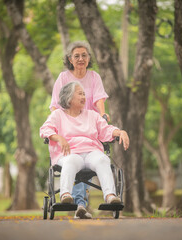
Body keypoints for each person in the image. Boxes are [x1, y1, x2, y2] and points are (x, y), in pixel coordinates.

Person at [40, 82, 129, 216]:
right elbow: (44, 129)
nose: (84, 97)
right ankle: (65, 195)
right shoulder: (58, 115)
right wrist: (59, 138)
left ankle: (110, 196)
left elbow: (106, 130)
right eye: (80, 94)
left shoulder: (92, 115)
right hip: (69, 153)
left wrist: (120, 132)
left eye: (84, 94)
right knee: (71, 161)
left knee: (102, 159)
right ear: (69, 97)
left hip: (91, 152)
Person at [49, 41, 110, 219]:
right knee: (77, 158)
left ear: (89, 58)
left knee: (87, 158)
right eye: (76, 56)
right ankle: (81, 203)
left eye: (84, 55)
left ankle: (80, 204)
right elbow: (55, 105)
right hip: (70, 127)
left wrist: (103, 115)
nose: (81, 59)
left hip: (90, 126)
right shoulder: (63, 78)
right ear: (70, 59)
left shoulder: (94, 77)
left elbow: (99, 99)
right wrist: (60, 124)